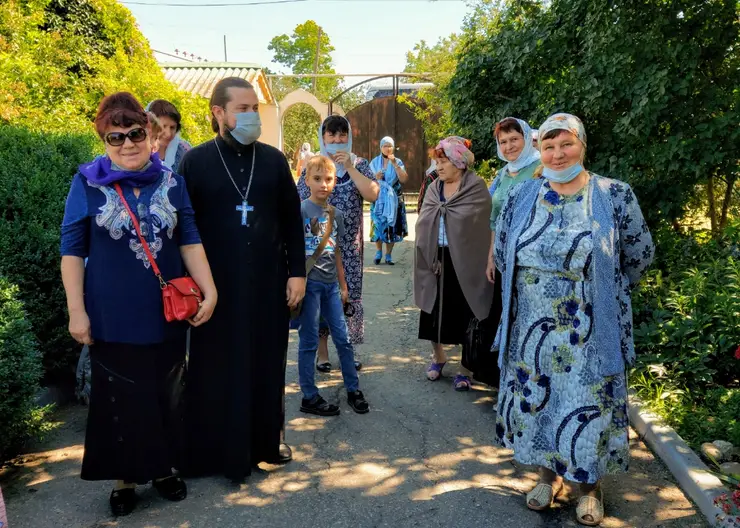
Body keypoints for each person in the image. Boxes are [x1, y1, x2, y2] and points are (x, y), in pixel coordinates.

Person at [60, 92, 217, 516]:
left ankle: (165, 468)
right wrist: (77, 310)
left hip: (166, 312)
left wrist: (210, 289)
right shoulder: (87, 183)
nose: (127, 144)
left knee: (167, 390)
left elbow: (189, 239)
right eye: (116, 137)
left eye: (135, 133)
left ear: (150, 134)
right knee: (119, 398)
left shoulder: (172, 183)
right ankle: (124, 477)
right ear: (103, 140)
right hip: (110, 314)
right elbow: (72, 249)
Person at [493, 113, 654, 526]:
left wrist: (603, 290)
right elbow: (502, 251)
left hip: (589, 326)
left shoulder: (614, 194)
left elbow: (639, 255)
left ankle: (590, 488)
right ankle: (547, 479)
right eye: (548, 146)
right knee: (540, 404)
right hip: (531, 328)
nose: (557, 153)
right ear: (538, 150)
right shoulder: (520, 196)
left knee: (589, 407)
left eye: (566, 144)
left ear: (582, 145)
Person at [179, 77, 306, 482]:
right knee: (215, 368)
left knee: (264, 364)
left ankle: (264, 443)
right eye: (244, 109)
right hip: (215, 289)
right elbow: (184, 229)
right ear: (219, 113)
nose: (253, 116)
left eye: (255, 109)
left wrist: (297, 273)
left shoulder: (272, 160)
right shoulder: (195, 162)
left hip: (268, 285)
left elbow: (291, 221)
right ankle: (212, 452)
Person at [297, 115, 379, 373]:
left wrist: (351, 167)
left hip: (350, 249)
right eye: (331, 135)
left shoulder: (361, 164)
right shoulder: (312, 166)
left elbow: (373, 194)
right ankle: (322, 353)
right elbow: (298, 202)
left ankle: (348, 350)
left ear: (349, 137)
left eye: (342, 135)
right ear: (323, 138)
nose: (337, 140)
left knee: (349, 297)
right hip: (318, 250)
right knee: (319, 298)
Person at [414, 137, 495, 391]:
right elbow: (424, 218)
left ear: (459, 162)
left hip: (468, 259)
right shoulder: (433, 187)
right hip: (436, 256)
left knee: (466, 312)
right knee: (432, 311)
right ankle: (438, 357)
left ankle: (465, 368)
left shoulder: (476, 187)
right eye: (437, 161)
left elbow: (481, 225)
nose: (438, 166)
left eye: (444, 161)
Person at [297, 155, 370, 416]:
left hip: (330, 287)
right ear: (307, 180)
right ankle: (309, 395)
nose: (323, 184)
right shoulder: (301, 210)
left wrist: (343, 285)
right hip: (309, 286)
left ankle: (353, 389)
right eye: (317, 179)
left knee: (344, 339)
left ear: (335, 182)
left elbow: (337, 251)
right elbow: (292, 249)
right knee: (308, 342)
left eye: (328, 179)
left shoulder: (335, 214)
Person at [369, 136, 409, 265]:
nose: (388, 148)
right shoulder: (374, 162)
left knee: (392, 226)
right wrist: (375, 177)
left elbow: (404, 179)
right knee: (378, 225)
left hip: (394, 200)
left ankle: (388, 255)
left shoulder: (398, 161)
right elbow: (367, 181)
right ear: (381, 147)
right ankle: (378, 251)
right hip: (378, 199)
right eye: (385, 146)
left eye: (390, 146)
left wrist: (395, 165)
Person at [146, 99, 192, 171]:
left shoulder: (184, 151)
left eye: (172, 127)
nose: (168, 134)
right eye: (163, 126)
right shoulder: (137, 150)